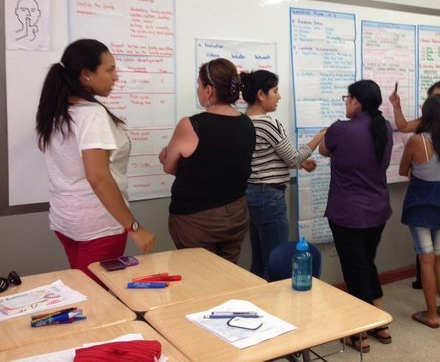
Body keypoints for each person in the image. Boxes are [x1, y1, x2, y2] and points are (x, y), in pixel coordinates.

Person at [36, 39, 155, 287]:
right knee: (97, 299)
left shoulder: (56, 111)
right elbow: (97, 176)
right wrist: (133, 227)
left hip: (65, 219)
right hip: (98, 226)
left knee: (84, 288)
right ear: (86, 75)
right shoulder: (91, 114)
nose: (116, 77)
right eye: (110, 69)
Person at [320, 79, 393, 353]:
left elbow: (324, 149)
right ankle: (380, 323)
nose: (346, 103)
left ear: (356, 101)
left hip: (347, 212)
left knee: (356, 269)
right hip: (377, 210)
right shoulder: (383, 127)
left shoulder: (341, 129)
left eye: (347, 98)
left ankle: (359, 333)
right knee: (366, 263)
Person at [159, 58, 255, 263]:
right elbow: (226, 167)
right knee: (227, 276)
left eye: (199, 85)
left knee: (200, 280)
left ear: (209, 90)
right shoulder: (247, 123)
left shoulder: (191, 125)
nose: (198, 90)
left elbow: (170, 167)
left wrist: (170, 159)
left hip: (196, 220)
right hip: (236, 215)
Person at [240, 70, 325, 280]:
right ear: (261, 94)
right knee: (276, 260)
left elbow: (265, 158)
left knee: (259, 259)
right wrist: (319, 137)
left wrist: (299, 162)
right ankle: (273, 308)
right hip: (269, 197)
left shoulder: (243, 122)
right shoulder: (269, 123)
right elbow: (294, 157)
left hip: (251, 195)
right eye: (275, 91)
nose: (279, 96)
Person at [391, 81, 440, 297]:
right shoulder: (428, 130)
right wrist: (396, 107)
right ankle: (431, 288)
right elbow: (403, 126)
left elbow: (405, 169)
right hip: (434, 188)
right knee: (432, 252)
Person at [400, 95, 440, 329]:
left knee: (425, 260)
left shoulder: (418, 141)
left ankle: (431, 314)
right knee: (437, 256)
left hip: (421, 206)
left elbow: (404, 170)